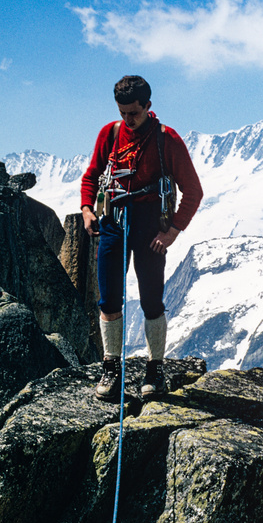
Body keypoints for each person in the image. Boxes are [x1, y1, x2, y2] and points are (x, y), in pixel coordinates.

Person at [81, 75, 203, 400]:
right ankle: (111, 368)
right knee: (108, 298)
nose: (127, 120)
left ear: (148, 106)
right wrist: (86, 208)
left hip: (151, 226)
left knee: (151, 300)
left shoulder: (167, 140)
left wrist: (173, 231)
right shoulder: (110, 134)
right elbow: (92, 175)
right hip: (114, 222)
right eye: (122, 113)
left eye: (133, 113)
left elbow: (193, 190)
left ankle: (155, 369)